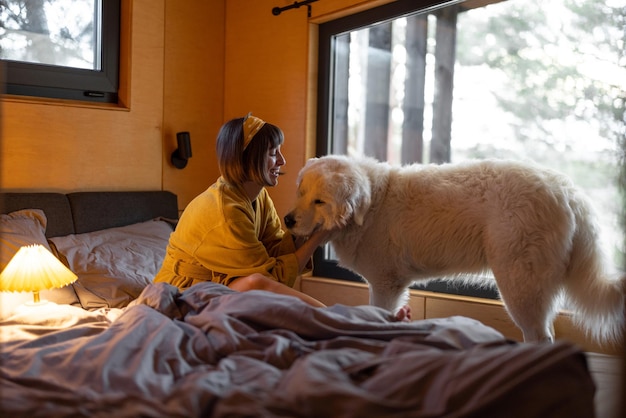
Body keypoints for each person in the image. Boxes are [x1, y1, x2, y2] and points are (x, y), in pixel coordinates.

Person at [154, 113, 330, 307]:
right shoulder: (226, 212)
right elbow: (271, 279)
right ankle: (330, 315)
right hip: (182, 293)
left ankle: (330, 316)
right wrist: (320, 235)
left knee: (258, 283)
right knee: (257, 282)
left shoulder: (258, 197)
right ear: (247, 159)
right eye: (273, 154)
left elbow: (276, 250)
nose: (282, 161)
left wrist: (312, 222)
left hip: (219, 285)